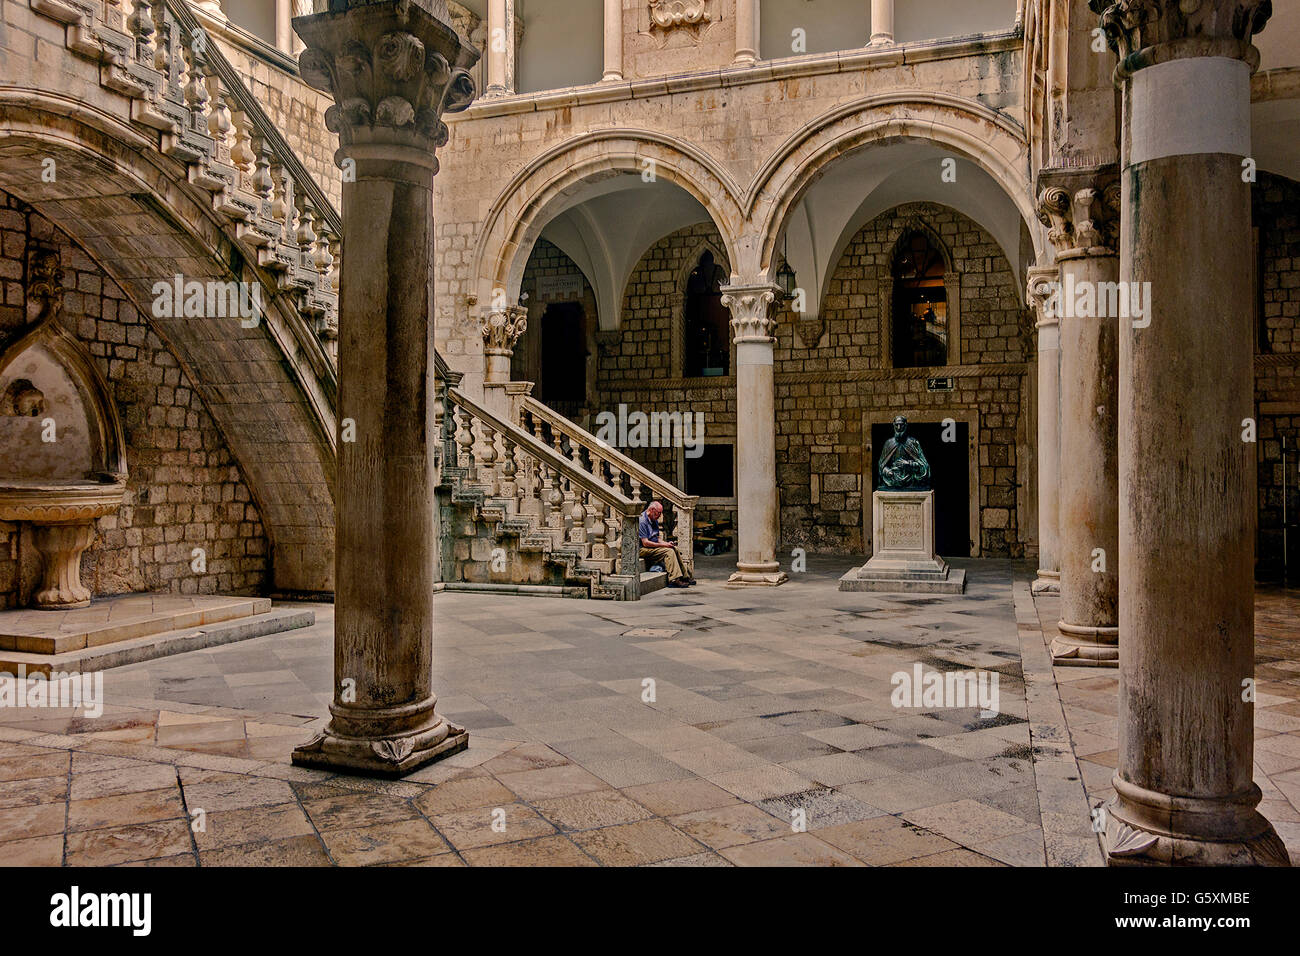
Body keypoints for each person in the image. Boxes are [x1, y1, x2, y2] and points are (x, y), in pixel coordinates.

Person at [639, 501, 695, 587]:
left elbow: (656, 539)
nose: (660, 515)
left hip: (650, 546)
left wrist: (667, 543)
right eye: (659, 513)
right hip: (642, 549)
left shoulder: (654, 519)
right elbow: (645, 543)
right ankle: (674, 579)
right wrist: (665, 545)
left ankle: (685, 576)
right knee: (668, 552)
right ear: (652, 510)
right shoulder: (642, 521)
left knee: (674, 549)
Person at [878, 415, 931, 490]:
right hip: (893, 479)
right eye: (896, 425)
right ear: (894, 425)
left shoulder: (913, 443)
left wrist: (909, 464)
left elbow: (924, 466)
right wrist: (887, 471)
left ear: (905, 426)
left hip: (911, 480)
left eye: (901, 425)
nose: (899, 428)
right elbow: (881, 465)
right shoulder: (888, 443)